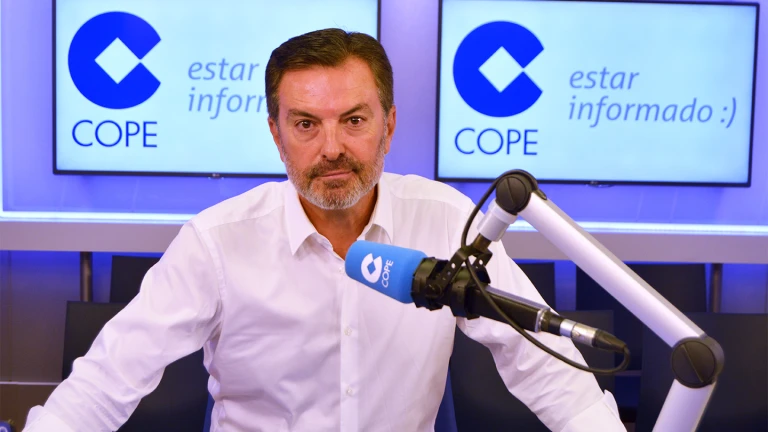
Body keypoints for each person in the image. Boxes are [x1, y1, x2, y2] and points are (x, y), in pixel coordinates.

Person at [24, 29, 623, 431]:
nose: (332, 148)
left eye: (354, 120)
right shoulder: (217, 241)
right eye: (306, 124)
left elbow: (547, 369)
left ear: (389, 125)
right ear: (276, 134)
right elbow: (106, 380)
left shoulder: (443, 219)